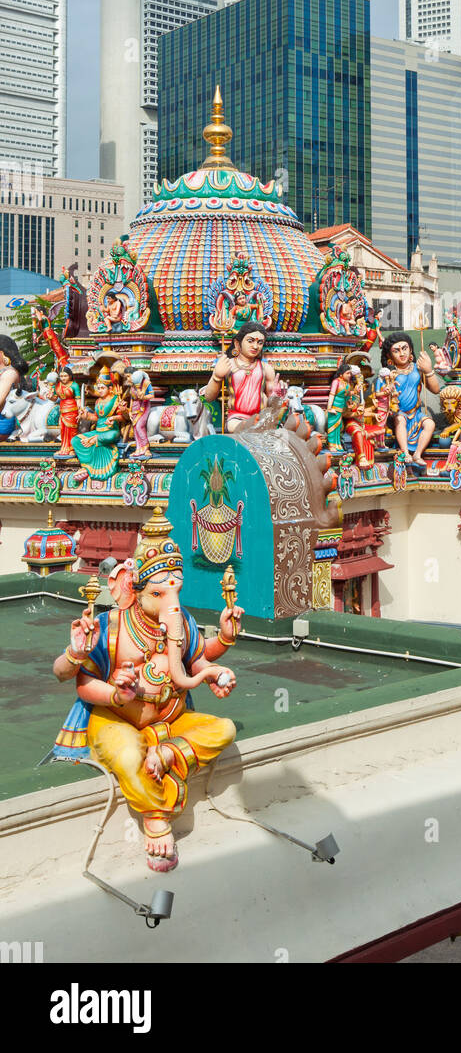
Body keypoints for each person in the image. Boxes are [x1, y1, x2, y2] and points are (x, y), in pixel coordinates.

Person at [52, 510, 240, 872]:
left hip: (171, 720)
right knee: (126, 757)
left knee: (224, 729)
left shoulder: (180, 619)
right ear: (132, 587)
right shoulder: (110, 628)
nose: (171, 600)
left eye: (176, 590)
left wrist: (219, 663)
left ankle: (167, 756)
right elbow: (73, 679)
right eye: (159, 592)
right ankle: (157, 815)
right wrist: (102, 681)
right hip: (118, 719)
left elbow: (194, 662)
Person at [375, 332, 441, 476]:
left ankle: (417, 454)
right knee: (400, 420)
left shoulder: (418, 368)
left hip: (415, 414)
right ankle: (405, 453)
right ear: (389, 356)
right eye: (396, 351)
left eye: (405, 348)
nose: (402, 353)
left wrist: (429, 370)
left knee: (430, 424)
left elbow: (436, 390)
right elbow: (380, 394)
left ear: (411, 350)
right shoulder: (388, 374)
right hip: (397, 414)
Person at [202, 321, 277, 433]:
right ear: (238, 343)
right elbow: (208, 397)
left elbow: (273, 401)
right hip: (237, 418)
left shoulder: (266, 368)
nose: (255, 346)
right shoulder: (228, 365)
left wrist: (278, 395)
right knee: (241, 427)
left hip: (260, 417)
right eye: (250, 341)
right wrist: (216, 377)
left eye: (260, 342)